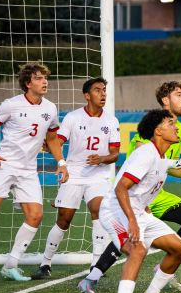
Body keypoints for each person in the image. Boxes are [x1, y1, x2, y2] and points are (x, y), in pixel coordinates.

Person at [78, 81, 181, 293]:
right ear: (165, 100)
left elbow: (168, 166)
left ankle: (163, 268)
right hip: (136, 191)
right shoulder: (155, 125)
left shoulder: (179, 130)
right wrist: (143, 204)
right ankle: (94, 279)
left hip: (155, 192)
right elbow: (143, 158)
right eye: (179, 94)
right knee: (131, 238)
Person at [0, 63, 66, 281]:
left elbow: (52, 139)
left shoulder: (50, 108)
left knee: (36, 215)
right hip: (4, 165)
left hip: (28, 170)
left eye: (45, 78)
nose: (44, 82)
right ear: (27, 83)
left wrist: (61, 162)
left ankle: (10, 265)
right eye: (38, 78)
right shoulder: (10, 105)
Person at [104, 109, 181, 293]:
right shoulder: (145, 154)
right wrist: (132, 221)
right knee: (138, 250)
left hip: (138, 211)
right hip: (116, 211)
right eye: (170, 123)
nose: (176, 127)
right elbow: (120, 188)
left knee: (179, 247)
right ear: (158, 131)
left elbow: (169, 170)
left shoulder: (160, 157)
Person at [34, 77, 121, 279]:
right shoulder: (72, 118)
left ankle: (96, 264)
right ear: (87, 95)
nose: (103, 94)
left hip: (98, 176)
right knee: (64, 219)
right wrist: (55, 155)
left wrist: (102, 158)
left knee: (98, 210)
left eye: (104, 90)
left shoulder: (112, 120)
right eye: (98, 90)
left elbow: (115, 153)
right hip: (73, 174)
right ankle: (45, 263)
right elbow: (57, 142)